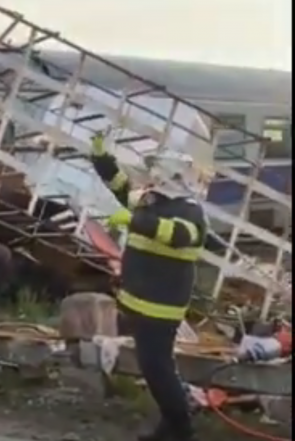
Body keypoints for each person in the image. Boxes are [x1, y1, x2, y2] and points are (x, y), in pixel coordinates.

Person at [90, 132, 207, 441]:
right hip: (137, 301)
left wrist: (133, 221)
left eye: (157, 170)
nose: (151, 175)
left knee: (158, 368)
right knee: (152, 366)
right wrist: (102, 158)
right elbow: (120, 187)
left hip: (160, 307)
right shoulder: (150, 200)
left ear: (172, 175)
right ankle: (171, 425)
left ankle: (180, 428)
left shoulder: (190, 211)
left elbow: (179, 235)